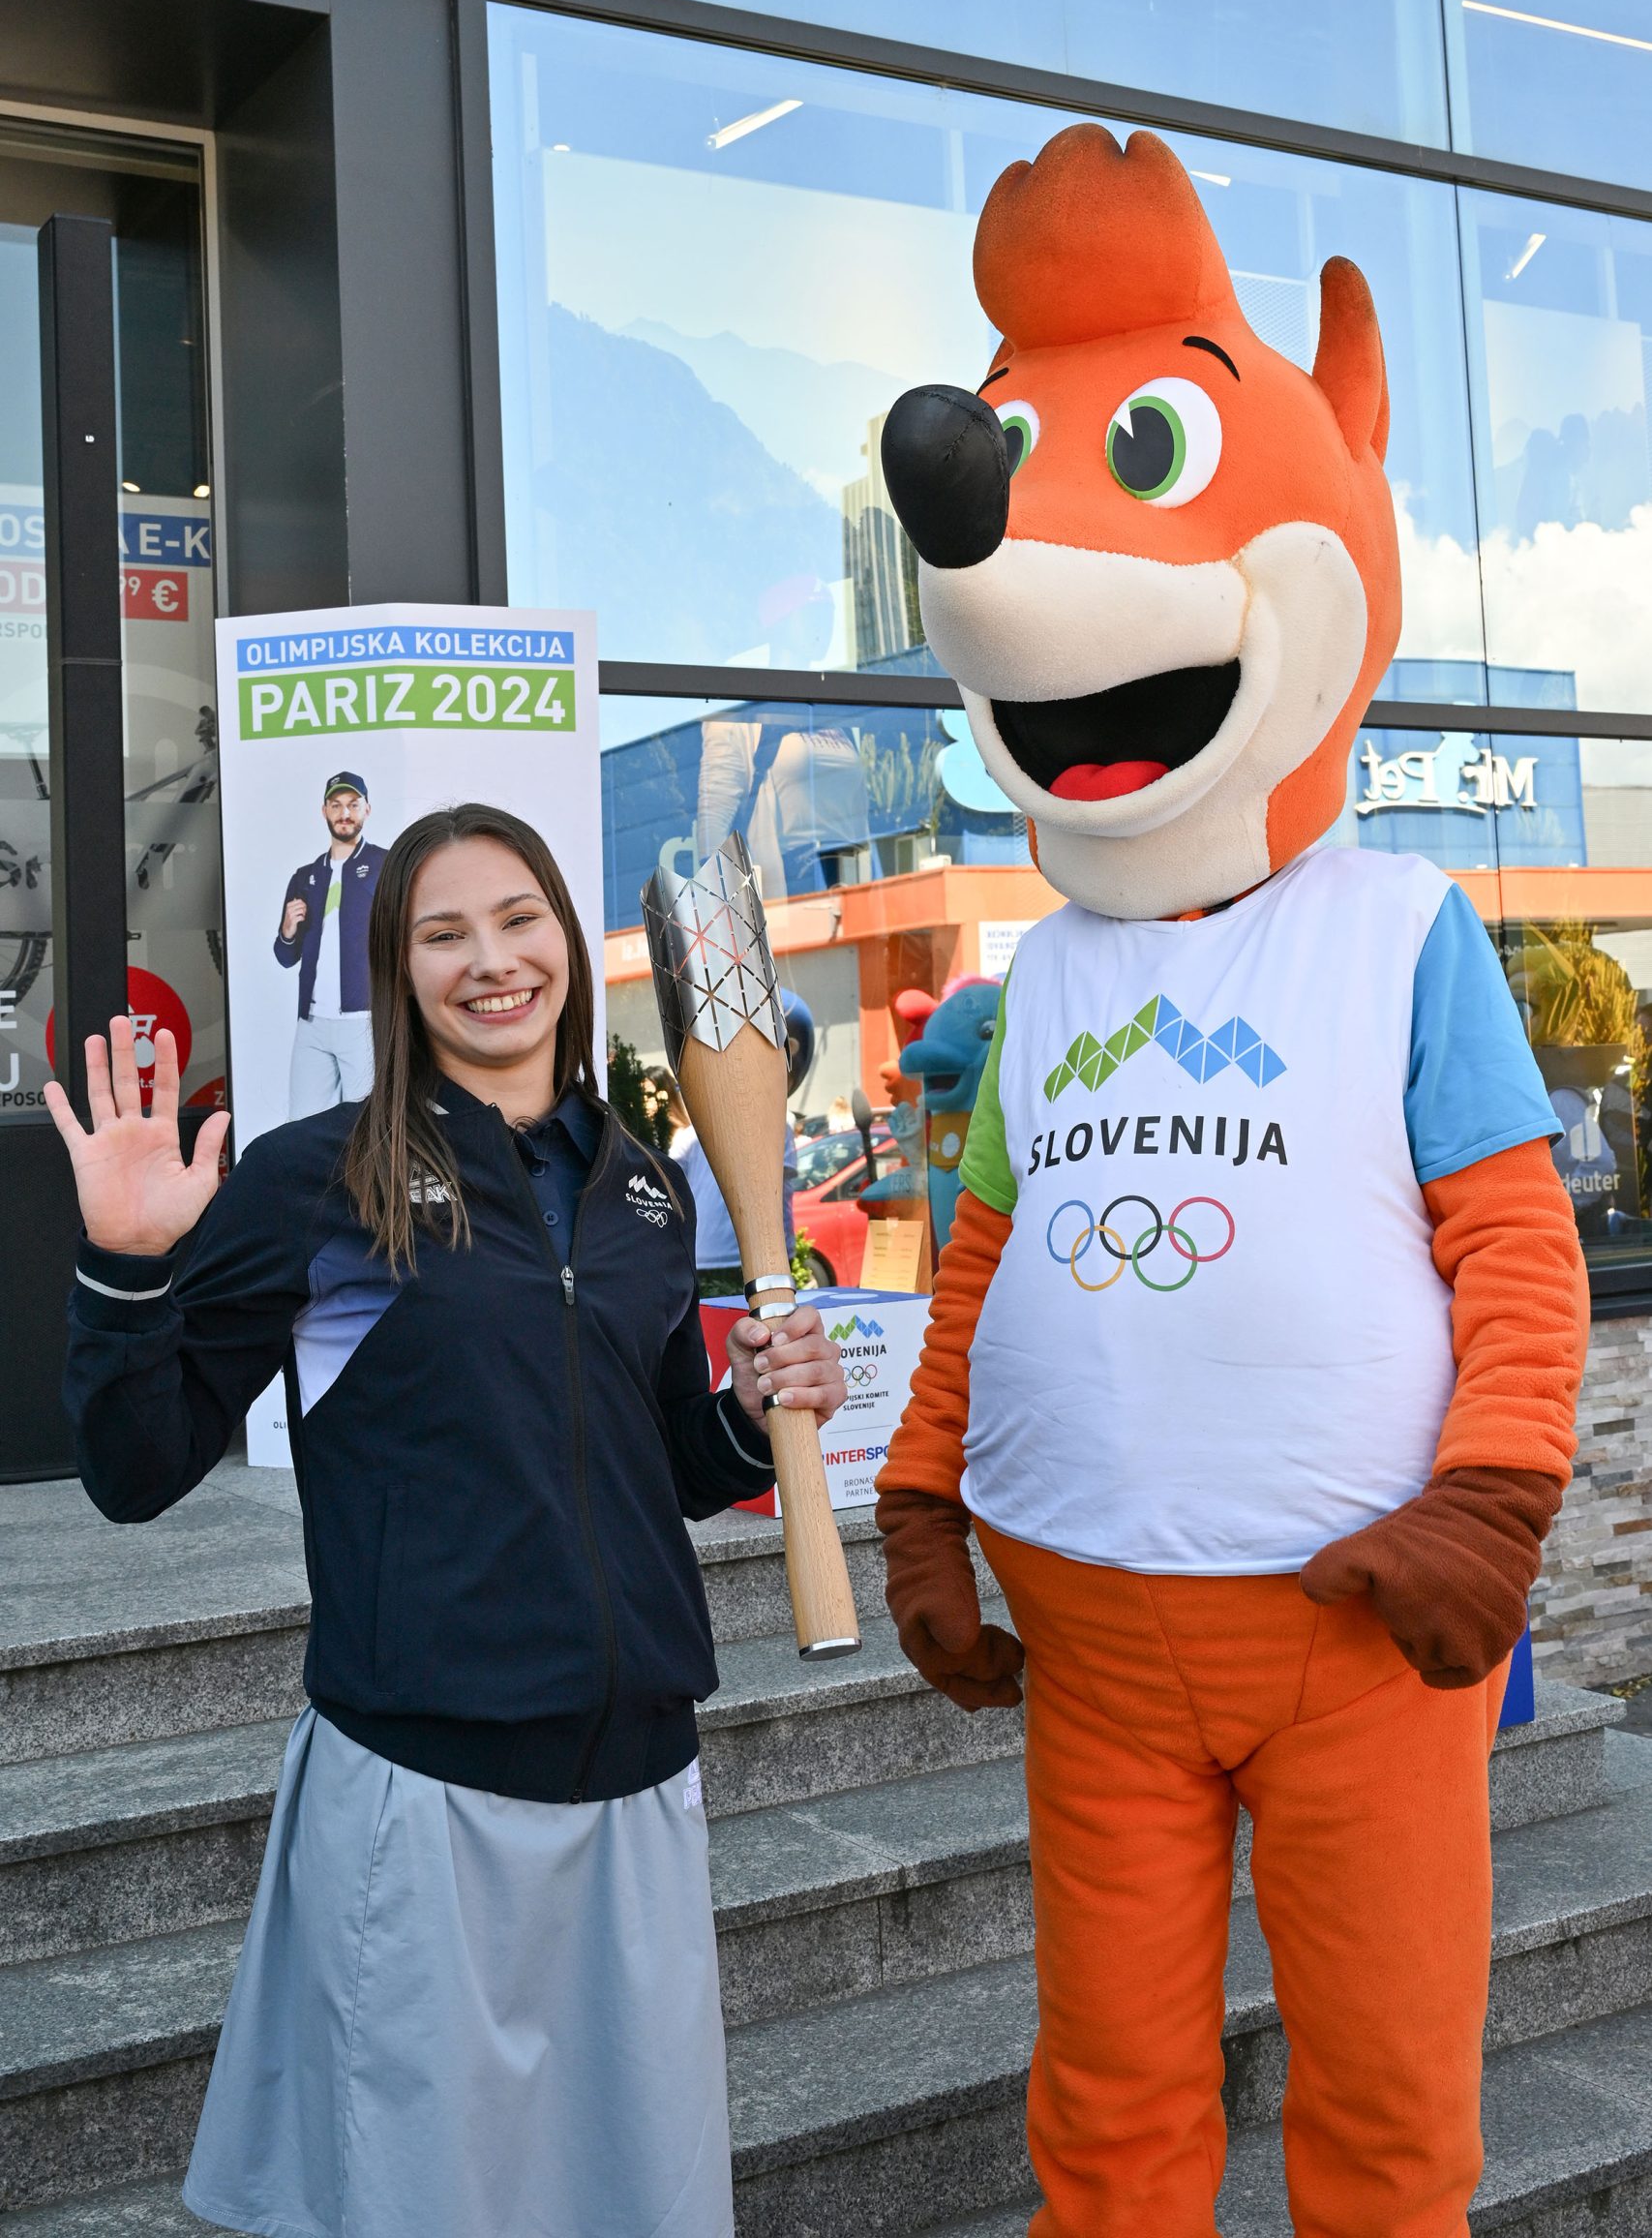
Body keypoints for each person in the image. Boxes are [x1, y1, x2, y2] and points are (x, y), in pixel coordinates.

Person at [873, 126, 1587, 2236]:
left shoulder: (1401, 930)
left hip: (1351, 1625)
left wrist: (1494, 1492)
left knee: (1382, 2094)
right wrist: (919, 1496)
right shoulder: (1038, 977)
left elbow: (1513, 1245)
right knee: (1106, 2099)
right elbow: (983, 1257)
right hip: (1091, 1633)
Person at [49, 800, 847, 2238]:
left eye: (519, 919)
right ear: (395, 970)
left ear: (567, 942)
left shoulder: (643, 1189)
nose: (492, 960)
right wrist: (127, 1265)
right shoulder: (320, 1180)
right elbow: (136, 1466)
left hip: (640, 1784)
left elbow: (664, 1463)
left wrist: (747, 1411)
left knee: (632, 2203)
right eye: (443, 933)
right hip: (424, 1793)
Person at [671, 987, 813, 1298]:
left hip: (704, 1250)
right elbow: (777, 1187)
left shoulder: (695, 1129)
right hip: (754, 1259)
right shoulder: (776, 1122)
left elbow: (675, 1179)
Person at [275, 769, 386, 1117]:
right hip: (312, 1023)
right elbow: (285, 957)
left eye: (353, 804)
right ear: (324, 811)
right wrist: (287, 930)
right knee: (303, 1124)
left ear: (367, 809)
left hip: (364, 1020)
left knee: (368, 1122)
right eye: (336, 805)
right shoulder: (305, 876)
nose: (344, 813)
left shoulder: (385, 865)